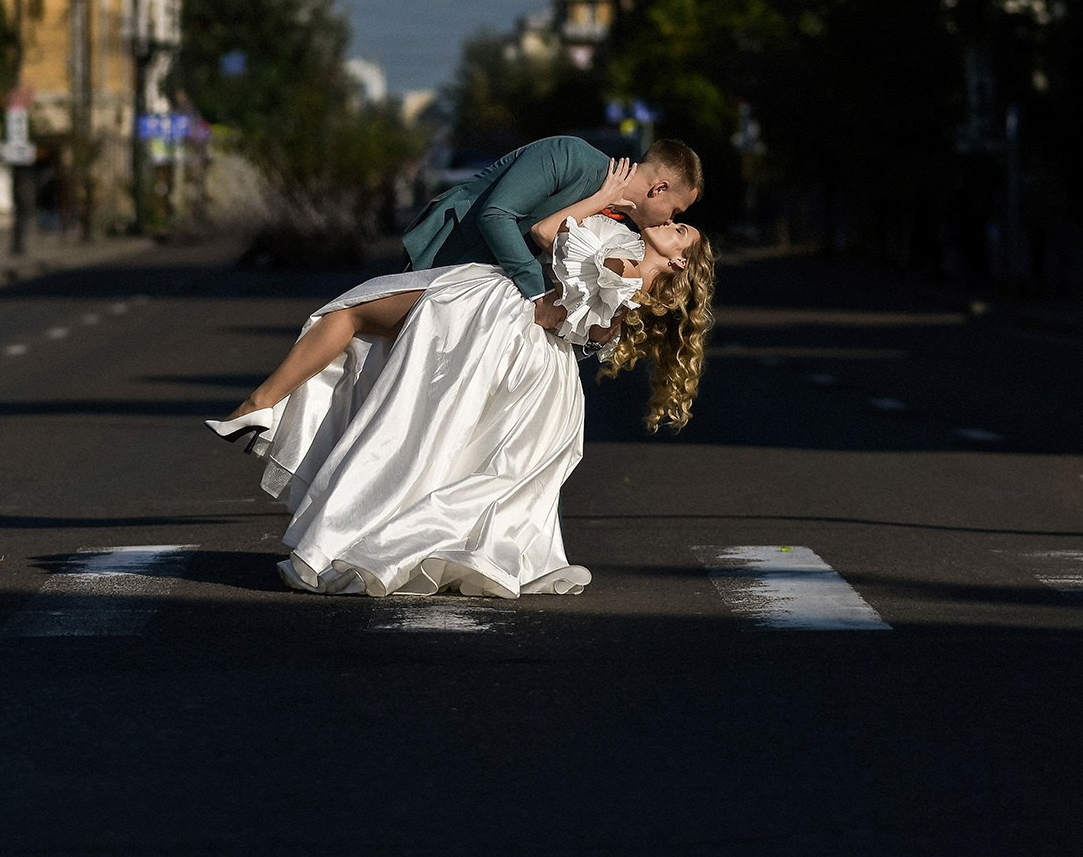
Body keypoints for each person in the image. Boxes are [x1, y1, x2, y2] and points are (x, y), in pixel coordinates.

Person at [206, 153, 715, 598]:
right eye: (679, 218)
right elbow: (586, 332)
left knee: (377, 366)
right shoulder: (631, 287)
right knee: (447, 443)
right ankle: (283, 434)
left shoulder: (621, 263)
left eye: (680, 229)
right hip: (540, 359)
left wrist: (601, 196)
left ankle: (269, 423)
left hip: (492, 312)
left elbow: (543, 235)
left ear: (674, 262)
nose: (673, 222)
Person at [402, 135, 702, 300]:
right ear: (659, 188)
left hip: (482, 297)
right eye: (675, 211)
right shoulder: (571, 156)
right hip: (440, 262)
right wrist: (540, 293)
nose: (669, 220)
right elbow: (495, 216)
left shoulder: (617, 227)